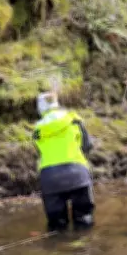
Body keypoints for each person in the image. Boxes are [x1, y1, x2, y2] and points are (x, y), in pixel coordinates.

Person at [33, 92, 95, 232]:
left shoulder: (37, 131)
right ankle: (84, 250)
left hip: (50, 178)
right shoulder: (74, 120)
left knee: (57, 226)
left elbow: (39, 152)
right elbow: (87, 146)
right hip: (77, 174)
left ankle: (58, 248)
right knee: (84, 220)